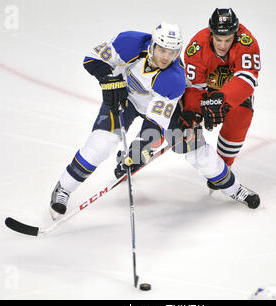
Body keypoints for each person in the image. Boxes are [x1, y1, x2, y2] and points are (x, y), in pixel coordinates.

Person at [49, 22, 186, 220]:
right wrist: (111, 82)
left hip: (150, 109)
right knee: (101, 145)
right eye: (162, 50)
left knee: (144, 147)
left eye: (172, 52)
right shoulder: (129, 42)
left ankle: (129, 160)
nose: (166, 57)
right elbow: (91, 60)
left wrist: (141, 148)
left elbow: (155, 124)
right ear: (153, 45)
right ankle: (64, 188)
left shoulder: (174, 79)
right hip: (122, 100)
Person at [178, 8, 261, 207]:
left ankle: (222, 168)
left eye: (228, 39)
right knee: (179, 121)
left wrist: (223, 101)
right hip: (205, 91)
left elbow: (247, 79)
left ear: (236, 33)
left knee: (242, 115)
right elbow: (193, 86)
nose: (223, 45)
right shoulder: (197, 46)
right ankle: (138, 151)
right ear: (211, 33)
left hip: (231, 92)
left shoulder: (247, 42)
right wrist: (192, 112)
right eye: (218, 39)